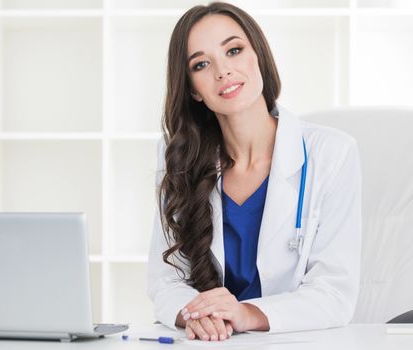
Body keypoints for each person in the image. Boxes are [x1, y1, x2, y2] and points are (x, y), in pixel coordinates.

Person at [147, 1, 362, 342]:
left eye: (234, 50)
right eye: (201, 64)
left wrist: (245, 314)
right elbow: (166, 281)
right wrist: (199, 316)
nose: (223, 71)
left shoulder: (332, 153)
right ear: (192, 89)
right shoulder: (179, 157)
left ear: (258, 55)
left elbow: (334, 294)